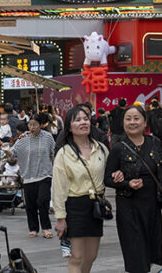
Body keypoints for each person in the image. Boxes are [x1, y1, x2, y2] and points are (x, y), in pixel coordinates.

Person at [105, 105, 162, 273]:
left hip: (152, 207)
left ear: (145, 122)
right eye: (128, 119)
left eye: (136, 118)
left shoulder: (154, 143)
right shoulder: (118, 148)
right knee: (135, 254)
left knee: (150, 252)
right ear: (123, 123)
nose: (132, 122)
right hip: (129, 209)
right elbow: (107, 179)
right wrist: (126, 183)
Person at [53, 106, 109, 273]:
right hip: (74, 206)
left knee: (91, 255)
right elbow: (58, 187)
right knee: (76, 257)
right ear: (69, 127)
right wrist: (60, 218)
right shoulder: (64, 153)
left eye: (85, 119)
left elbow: (111, 173)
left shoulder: (101, 149)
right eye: (77, 120)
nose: (83, 122)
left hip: (96, 207)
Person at [12, 112, 56, 239]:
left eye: (35, 125)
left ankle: (46, 228)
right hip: (28, 175)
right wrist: (6, 150)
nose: (32, 127)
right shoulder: (23, 138)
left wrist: (55, 170)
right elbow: (13, 153)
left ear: (41, 125)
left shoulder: (48, 137)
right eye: (30, 125)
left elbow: (52, 154)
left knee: (43, 201)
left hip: (45, 174)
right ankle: (33, 228)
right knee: (30, 205)